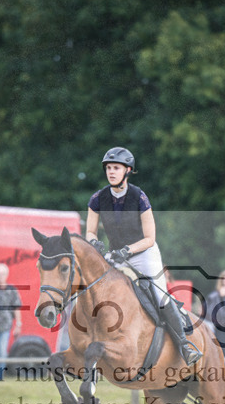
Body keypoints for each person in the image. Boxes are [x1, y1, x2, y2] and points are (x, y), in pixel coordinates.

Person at [85, 146, 201, 366]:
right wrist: (93, 242)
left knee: (160, 296)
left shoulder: (139, 196)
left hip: (143, 254)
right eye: (108, 168)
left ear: (127, 170)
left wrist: (128, 250)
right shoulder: (98, 198)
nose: (111, 172)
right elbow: (90, 231)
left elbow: (150, 237)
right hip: (114, 255)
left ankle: (185, 346)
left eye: (116, 168)